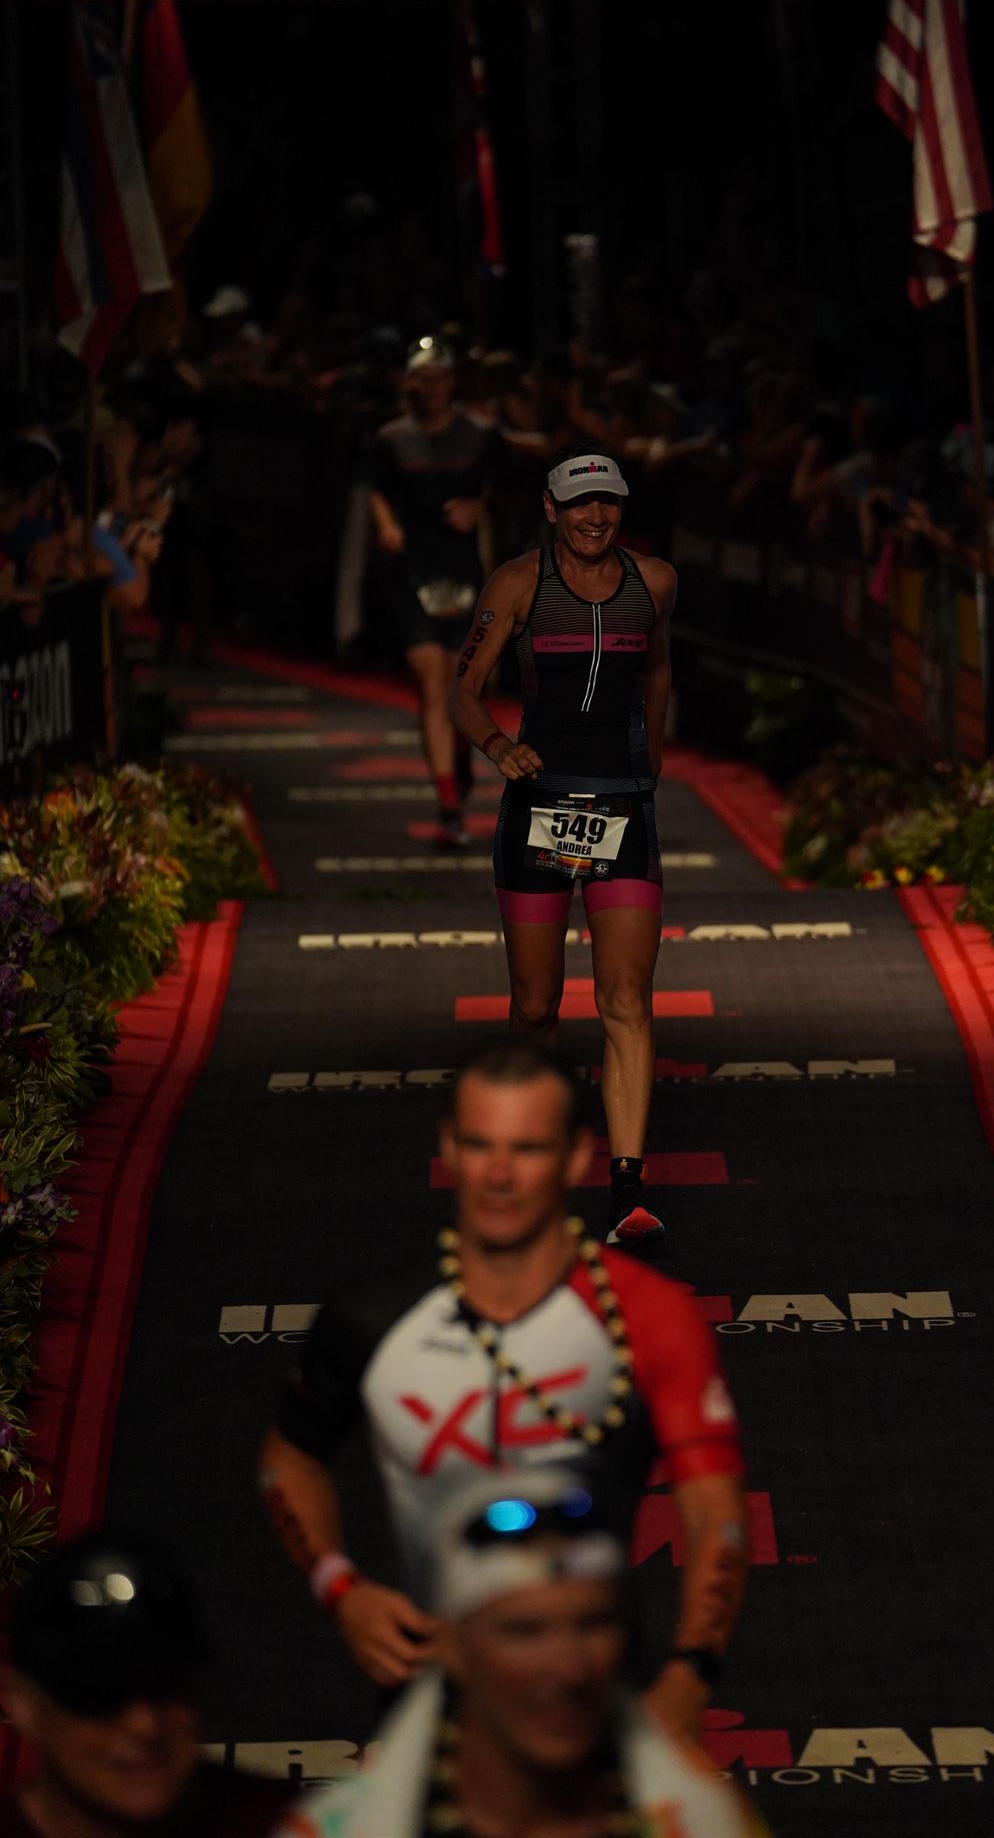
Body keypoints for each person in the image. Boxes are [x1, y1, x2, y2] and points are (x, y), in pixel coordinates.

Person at [258, 1041, 747, 1742]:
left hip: (606, 1713)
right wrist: (341, 1590)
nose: (498, 1175)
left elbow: (714, 1513)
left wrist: (689, 1677)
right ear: (448, 1149)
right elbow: (289, 1456)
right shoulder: (372, 1317)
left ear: (576, 1158)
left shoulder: (651, 1316)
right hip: (432, 1718)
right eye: (479, 1145)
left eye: (527, 1149)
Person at [445, 447, 675, 1247]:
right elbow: (461, 691)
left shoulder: (655, 582)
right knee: (537, 1007)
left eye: (607, 503)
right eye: (579, 505)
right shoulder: (517, 584)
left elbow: (658, 670)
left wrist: (651, 761)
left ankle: (627, 1191)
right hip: (538, 804)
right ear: (550, 509)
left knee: (626, 1000)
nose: (594, 518)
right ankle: (530, 1175)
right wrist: (498, 747)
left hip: (622, 805)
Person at [274, 1471, 763, 1838]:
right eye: (524, 1632)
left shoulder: (708, 1821)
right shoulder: (339, 1829)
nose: (569, 1668)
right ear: (451, 1647)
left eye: (593, 1625)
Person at [0, 1531, 293, 1837]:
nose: (145, 1725)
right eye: (100, 1692)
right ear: (23, 1704)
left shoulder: (292, 1823)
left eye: (165, 1682)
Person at [369, 339, 498, 844]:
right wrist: (386, 525)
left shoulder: (479, 435)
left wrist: (478, 508)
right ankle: (448, 806)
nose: (433, 388)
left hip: (463, 573)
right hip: (413, 573)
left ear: (452, 382)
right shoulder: (392, 439)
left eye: (441, 378)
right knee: (431, 686)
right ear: (410, 384)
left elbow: (508, 488)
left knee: (461, 688)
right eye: (423, 379)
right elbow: (377, 487)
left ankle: (460, 758)